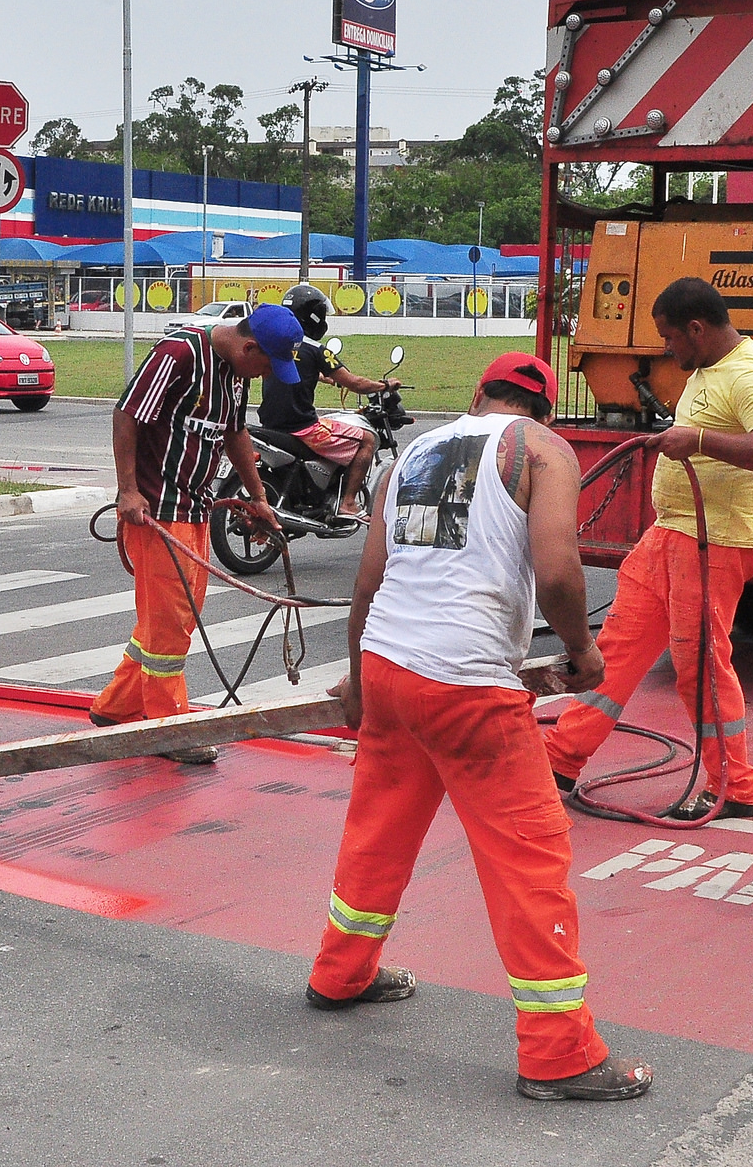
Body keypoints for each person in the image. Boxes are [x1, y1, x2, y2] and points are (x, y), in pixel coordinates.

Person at [306, 352, 652, 1102]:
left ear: (477, 395)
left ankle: (339, 973)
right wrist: (583, 651)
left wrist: (364, 683)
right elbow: (560, 572)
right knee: (529, 856)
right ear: (545, 411)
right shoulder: (542, 450)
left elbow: (371, 578)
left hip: (394, 667)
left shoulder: (421, 447)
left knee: (379, 825)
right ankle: (559, 1054)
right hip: (465, 686)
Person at [542, 276, 753, 820]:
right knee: (617, 645)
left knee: (699, 663)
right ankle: (561, 757)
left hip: (715, 541)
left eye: (669, 338)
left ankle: (734, 786)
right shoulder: (708, 370)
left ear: (697, 329)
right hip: (673, 533)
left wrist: (698, 440)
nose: (666, 349)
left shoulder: (751, 374)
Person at [95, 308, 298, 763]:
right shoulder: (179, 354)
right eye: (266, 365)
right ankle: (169, 730)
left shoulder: (236, 373)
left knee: (169, 620)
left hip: (196, 509)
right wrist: (128, 491)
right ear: (249, 348)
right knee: (170, 629)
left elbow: (235, 433)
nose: (266, 374)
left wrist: (259, 497)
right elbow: (127, 415)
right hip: (157, 512)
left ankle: (116, 705)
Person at [256, 284, 402, 523]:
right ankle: (348, 503)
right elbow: (355, 383)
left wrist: (323, 378)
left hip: (270, 423)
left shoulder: (277, 342)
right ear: (313, 315)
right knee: (366, 440)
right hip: (303, 427)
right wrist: (384, 386)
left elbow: (295, 367)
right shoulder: (317, 349)